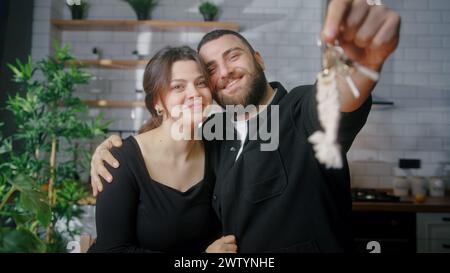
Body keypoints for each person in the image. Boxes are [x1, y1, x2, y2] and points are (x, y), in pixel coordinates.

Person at [90, 0, 401, 252]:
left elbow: (335, 99)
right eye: (210, 69)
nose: (225, 72)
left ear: (259, 59)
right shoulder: (215, 136)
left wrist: (359, 67)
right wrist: (112, 150)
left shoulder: (299, 110)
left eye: (233, 56)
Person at [88, 46, 237, 253]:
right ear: (157, 102)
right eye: (178, 87)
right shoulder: (120, 160)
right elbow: (112, 250)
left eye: (201, 83)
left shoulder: (219, 144)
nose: (194, 93)